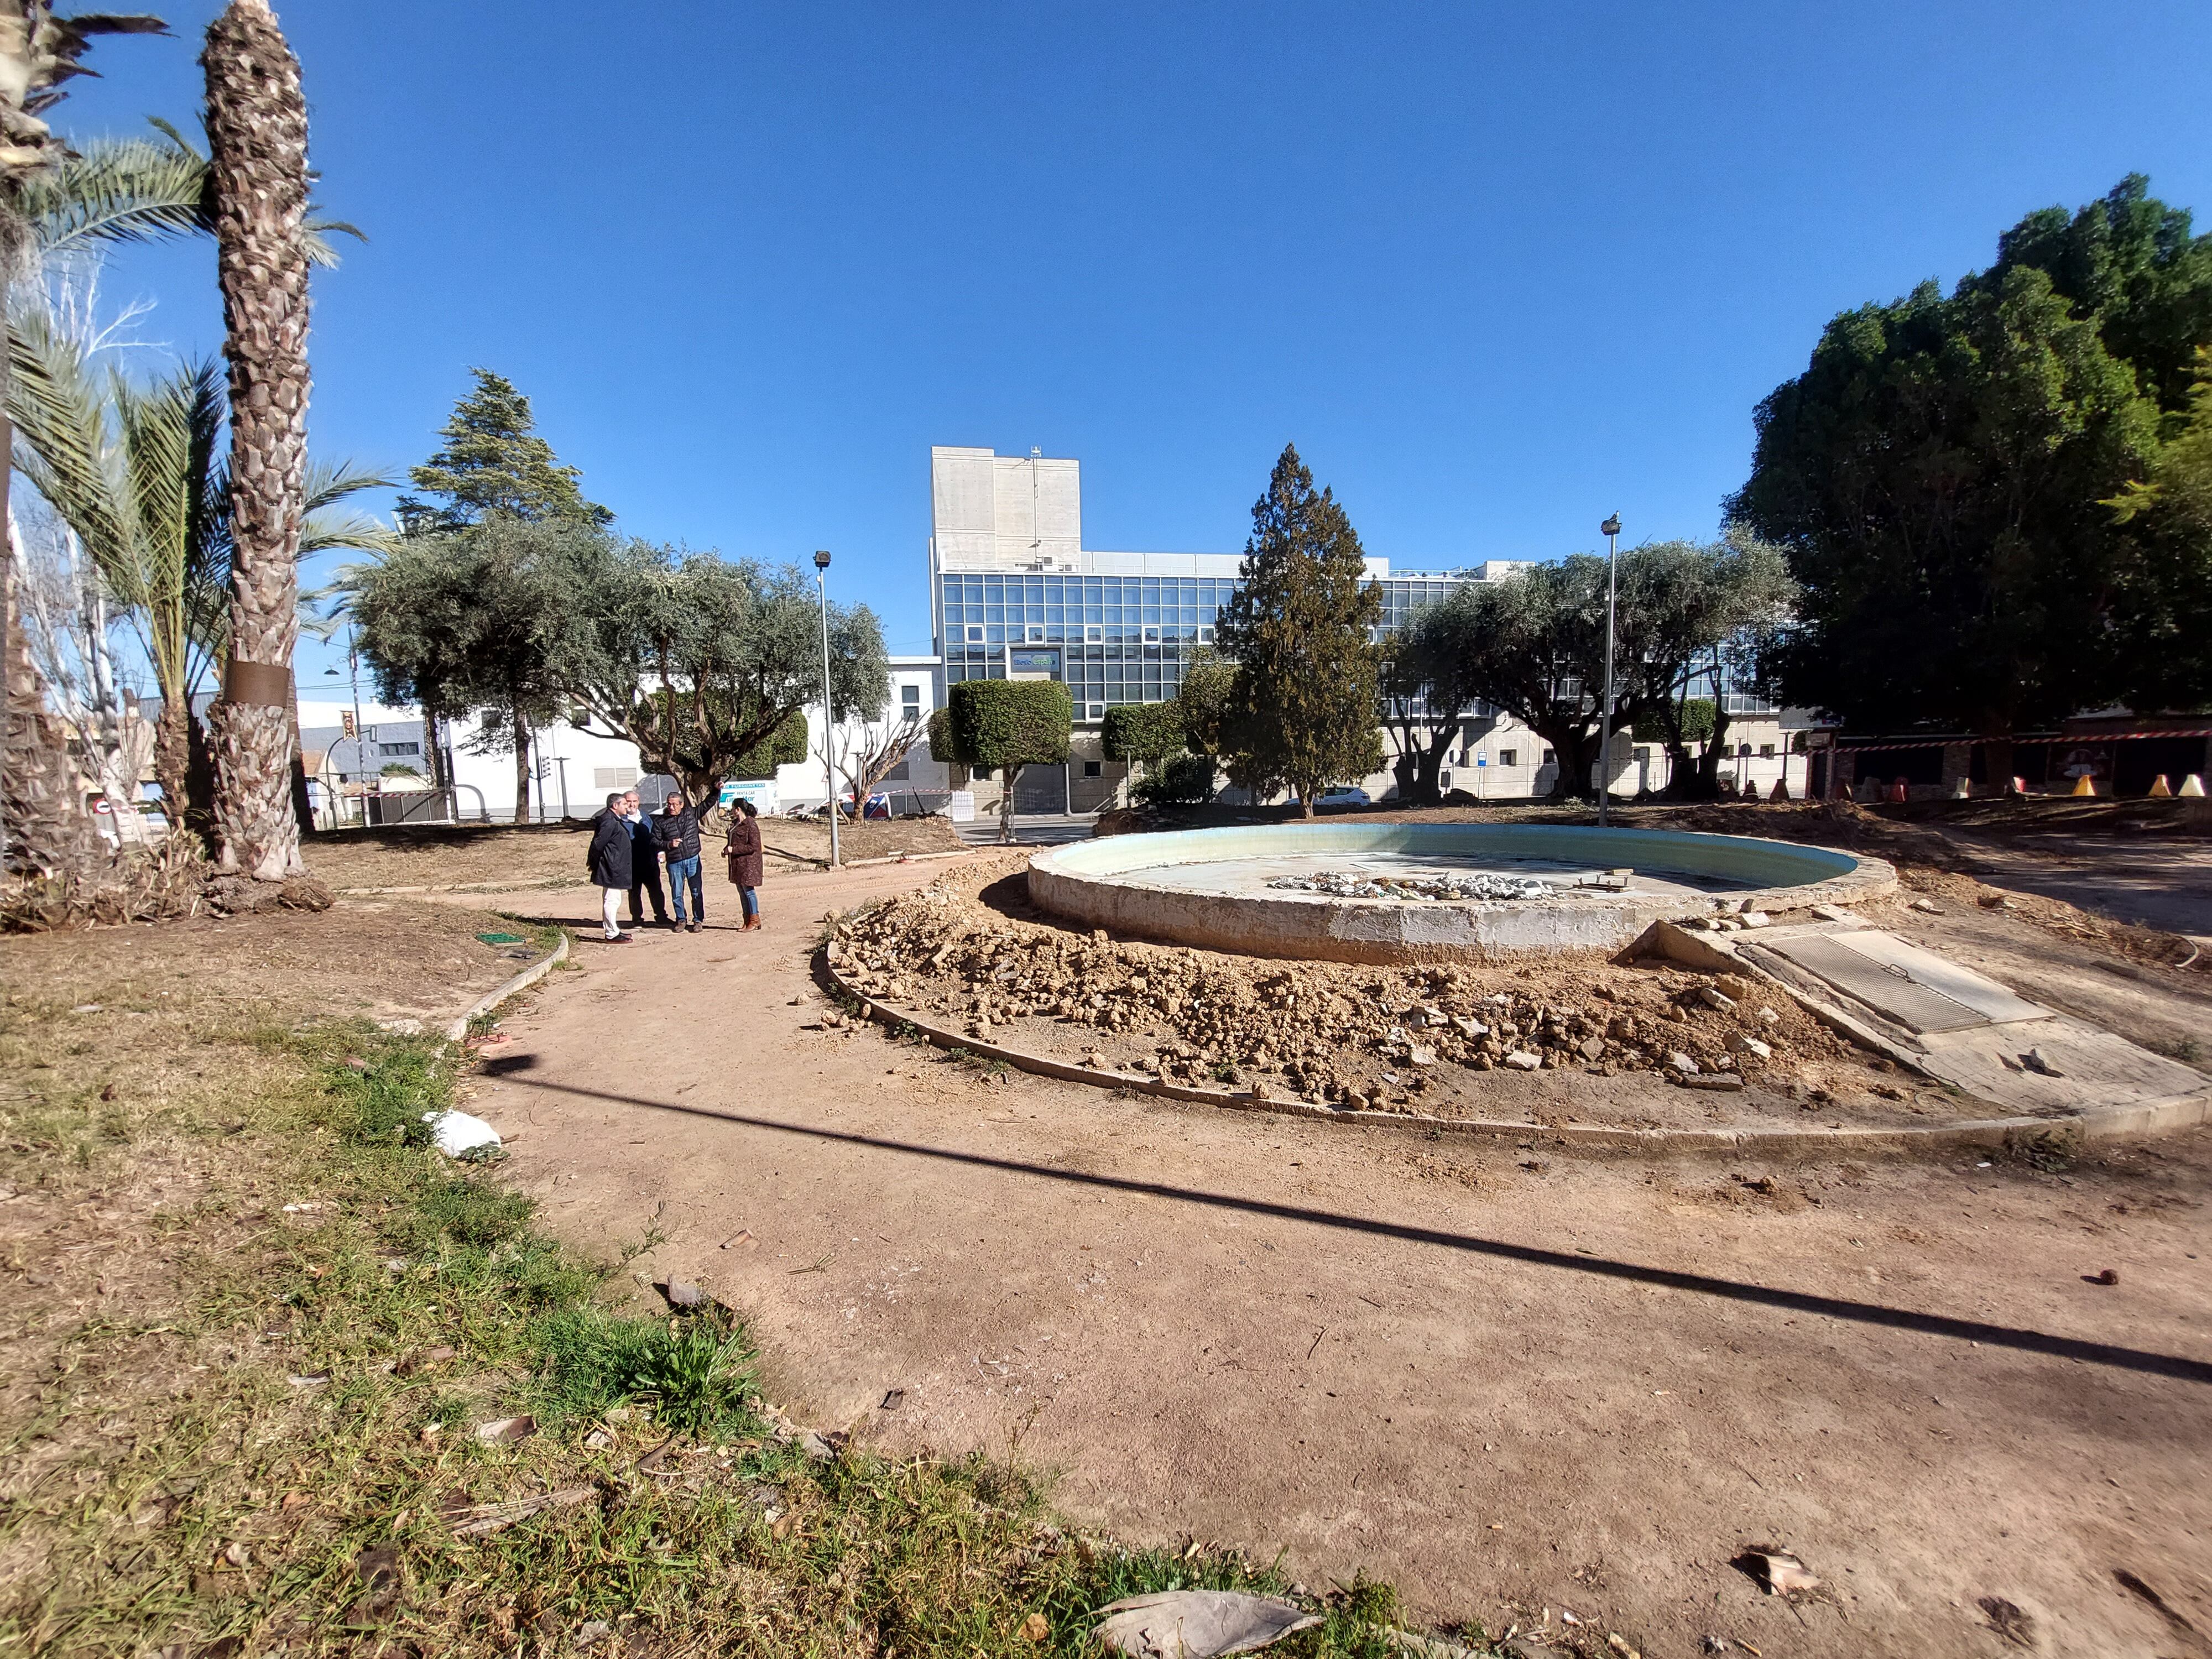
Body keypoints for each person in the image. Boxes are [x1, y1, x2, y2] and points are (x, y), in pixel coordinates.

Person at [586, 791, 635, 942]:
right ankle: (611, 934)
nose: (628, 806)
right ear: (615, 805)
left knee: (614, 900)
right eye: (625, 804)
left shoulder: (614, 819)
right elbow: (598, 844)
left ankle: (614, 929)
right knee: (612, 901)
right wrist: (594, 863)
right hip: (611, 867)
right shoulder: (609, 821)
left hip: (615, 866)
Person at [656, 787, 706, 932]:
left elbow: (707, 804)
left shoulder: (691, 814)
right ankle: (681, 919)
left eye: (675, 804)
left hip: (693, 859)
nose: (671, 807)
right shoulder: (661, 822)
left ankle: (698, 921)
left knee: (696, 892)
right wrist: (668, 845)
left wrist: (716, 791)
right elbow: (654, 840)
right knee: (677, 893)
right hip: (674, 862)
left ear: (682, 804)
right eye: (669, 804)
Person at [624, 788, 669, 927]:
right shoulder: (621, 820)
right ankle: (637, 919)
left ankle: (661, 917)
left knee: (656, 891)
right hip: (632, 864)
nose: (632, 804)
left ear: (639, 802)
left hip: (650, 863)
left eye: (635, 801)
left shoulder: (646, 817)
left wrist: (661, 851)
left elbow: (656, 836)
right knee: (634, 893)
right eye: (629, 802)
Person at [724, 797, 764, 930]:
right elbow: (732, 841)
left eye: (733, 807)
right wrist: (727, 849)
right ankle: (747, 921)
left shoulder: (751, 824)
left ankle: (754, 919)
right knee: (742, 893)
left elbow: (754, 846)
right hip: (737, 865)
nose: (731, 810)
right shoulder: (735, 824)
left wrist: (733, 850)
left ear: (738, 809)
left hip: (748, 865)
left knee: (749, 892)